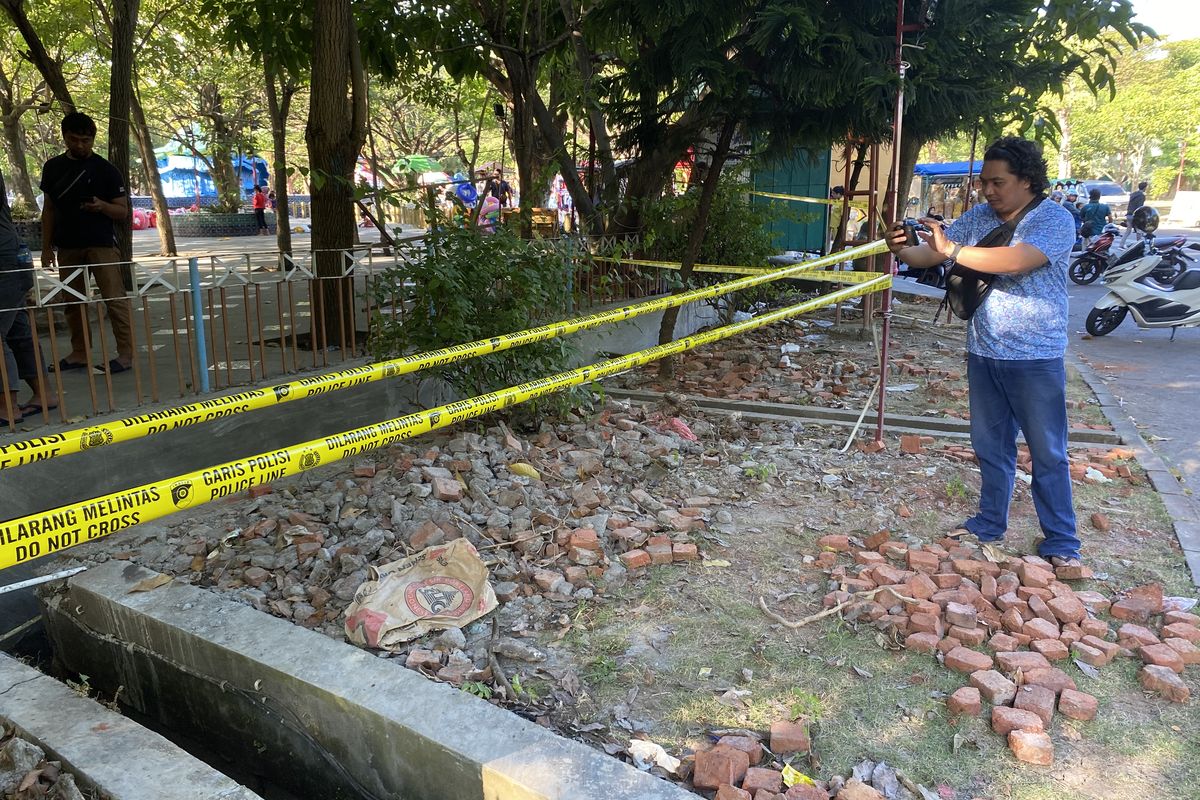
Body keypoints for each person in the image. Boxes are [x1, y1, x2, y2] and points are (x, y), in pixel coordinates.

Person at [886, 136, 1082, 568]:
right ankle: (990, 522)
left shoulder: (1054, 220)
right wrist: (899, 246)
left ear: (1027, 180)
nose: (988, 191)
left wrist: (952, 250)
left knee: (1047, 451)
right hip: (984, 351)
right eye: (984, 183)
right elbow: (927, 256)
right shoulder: (977, 217)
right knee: (990, 446)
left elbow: (1015, 260)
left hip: (1035, 357)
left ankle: (1062, 541)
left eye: (998, 183)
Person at [39, 112, 133, 374]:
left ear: (93, 139)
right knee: (73, 301)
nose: (80, 145)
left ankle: (125, 354)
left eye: (85, 140)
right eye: (74, 139)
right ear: (64, 137)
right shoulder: (52, 167)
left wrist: (102, 205)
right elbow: (49, 210)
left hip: (101, 244)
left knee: (114, 298)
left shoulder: (106, 170)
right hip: (67, 246)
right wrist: (47, 247)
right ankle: (79, 352)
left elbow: (122, 211)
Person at [0, 170, 52, 426]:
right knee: (18, 329)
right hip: (12, 253)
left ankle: (7, 407)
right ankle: (44, 395)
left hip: (3, 259)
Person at [1120, 181, 1148, 248]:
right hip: (1135, 215)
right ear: (1144, 188)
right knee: (1139, 231)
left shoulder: (1133, 194)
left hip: (1129, 214)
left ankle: (1121, 244)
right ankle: (1139, 246)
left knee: (1128, 230)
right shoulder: (1142, 196)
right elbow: (1139, 207)